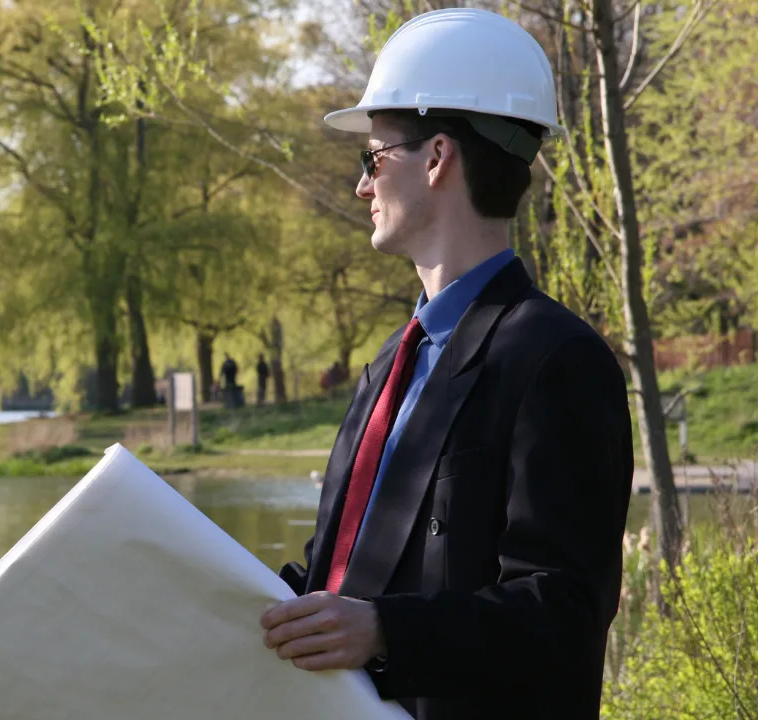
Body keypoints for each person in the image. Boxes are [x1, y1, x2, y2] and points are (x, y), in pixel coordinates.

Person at [258, 9, 633, 720]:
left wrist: (383, 630)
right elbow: (332, 578)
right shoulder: (382, 374)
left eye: (372, 158)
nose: (362, 186)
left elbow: (564, 613)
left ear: (436, 158)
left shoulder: (557, 360)